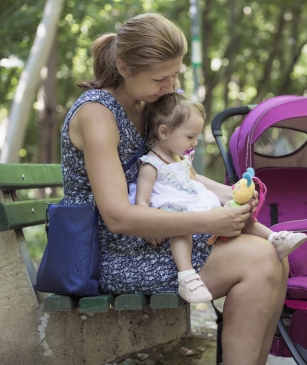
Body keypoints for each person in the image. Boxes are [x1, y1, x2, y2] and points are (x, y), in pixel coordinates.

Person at [63, 13, 291, 365]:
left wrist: (229, 193)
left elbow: (181, 175)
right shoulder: (97, 114)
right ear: (123, 68)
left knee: (276, 253)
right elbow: (117, 217)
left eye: (175, 74)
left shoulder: (152, 104)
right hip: (112, 255)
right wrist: (210, 221)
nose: (170, 85)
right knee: (260, 258)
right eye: (160, 77)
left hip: (156, 239)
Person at [127, 92, 307, 303]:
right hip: (173, 211)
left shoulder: (180, 156)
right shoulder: (151, 164)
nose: (194, 142)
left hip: (192, 202)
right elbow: (142, 201)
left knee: (235, 214)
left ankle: (273, 237)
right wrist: (148, 229)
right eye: (189, 137)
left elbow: (194, 178)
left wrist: (231, 192)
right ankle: (187, 275)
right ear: (164, 132)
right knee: (180, 228)